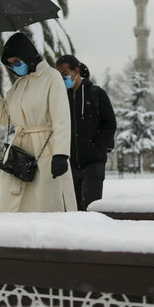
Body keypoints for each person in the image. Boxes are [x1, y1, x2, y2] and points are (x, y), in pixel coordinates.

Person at [0, 32, 77, 213]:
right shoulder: (18, 85)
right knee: (13, 204)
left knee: (45, 202)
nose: (14, 67)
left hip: (46, 149)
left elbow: (61, 118)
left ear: (27, 54)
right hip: (20, 154)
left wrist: (61, 154)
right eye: (10, 64)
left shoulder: (51, 77)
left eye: (17, 61)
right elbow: (5, 117)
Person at [55, 55, 117, 211]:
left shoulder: (96, 93)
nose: (62, 78)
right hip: (69, 165)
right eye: (59, 75)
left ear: (76, 71)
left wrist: (98, 146)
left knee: (90, 209)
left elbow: (109, 123)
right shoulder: (60, 97)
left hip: (93, 163)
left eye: (65, 74)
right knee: (72, 210)